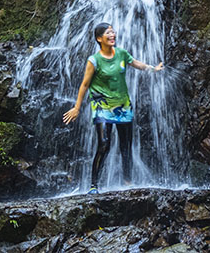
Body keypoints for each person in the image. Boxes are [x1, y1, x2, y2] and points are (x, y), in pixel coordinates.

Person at [62, 23, 164, 193]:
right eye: (108, 33)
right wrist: (77, 108)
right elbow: (84, 85)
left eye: (113, 32)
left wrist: (153, 69)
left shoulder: (122, 54)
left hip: (123, 106)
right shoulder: (94, 60)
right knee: (104, 144)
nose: (112, 35)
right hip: (102, 106)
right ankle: (94, 185)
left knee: (126, 145)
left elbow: (136, 63)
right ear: (99, 38)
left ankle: (127, 181)